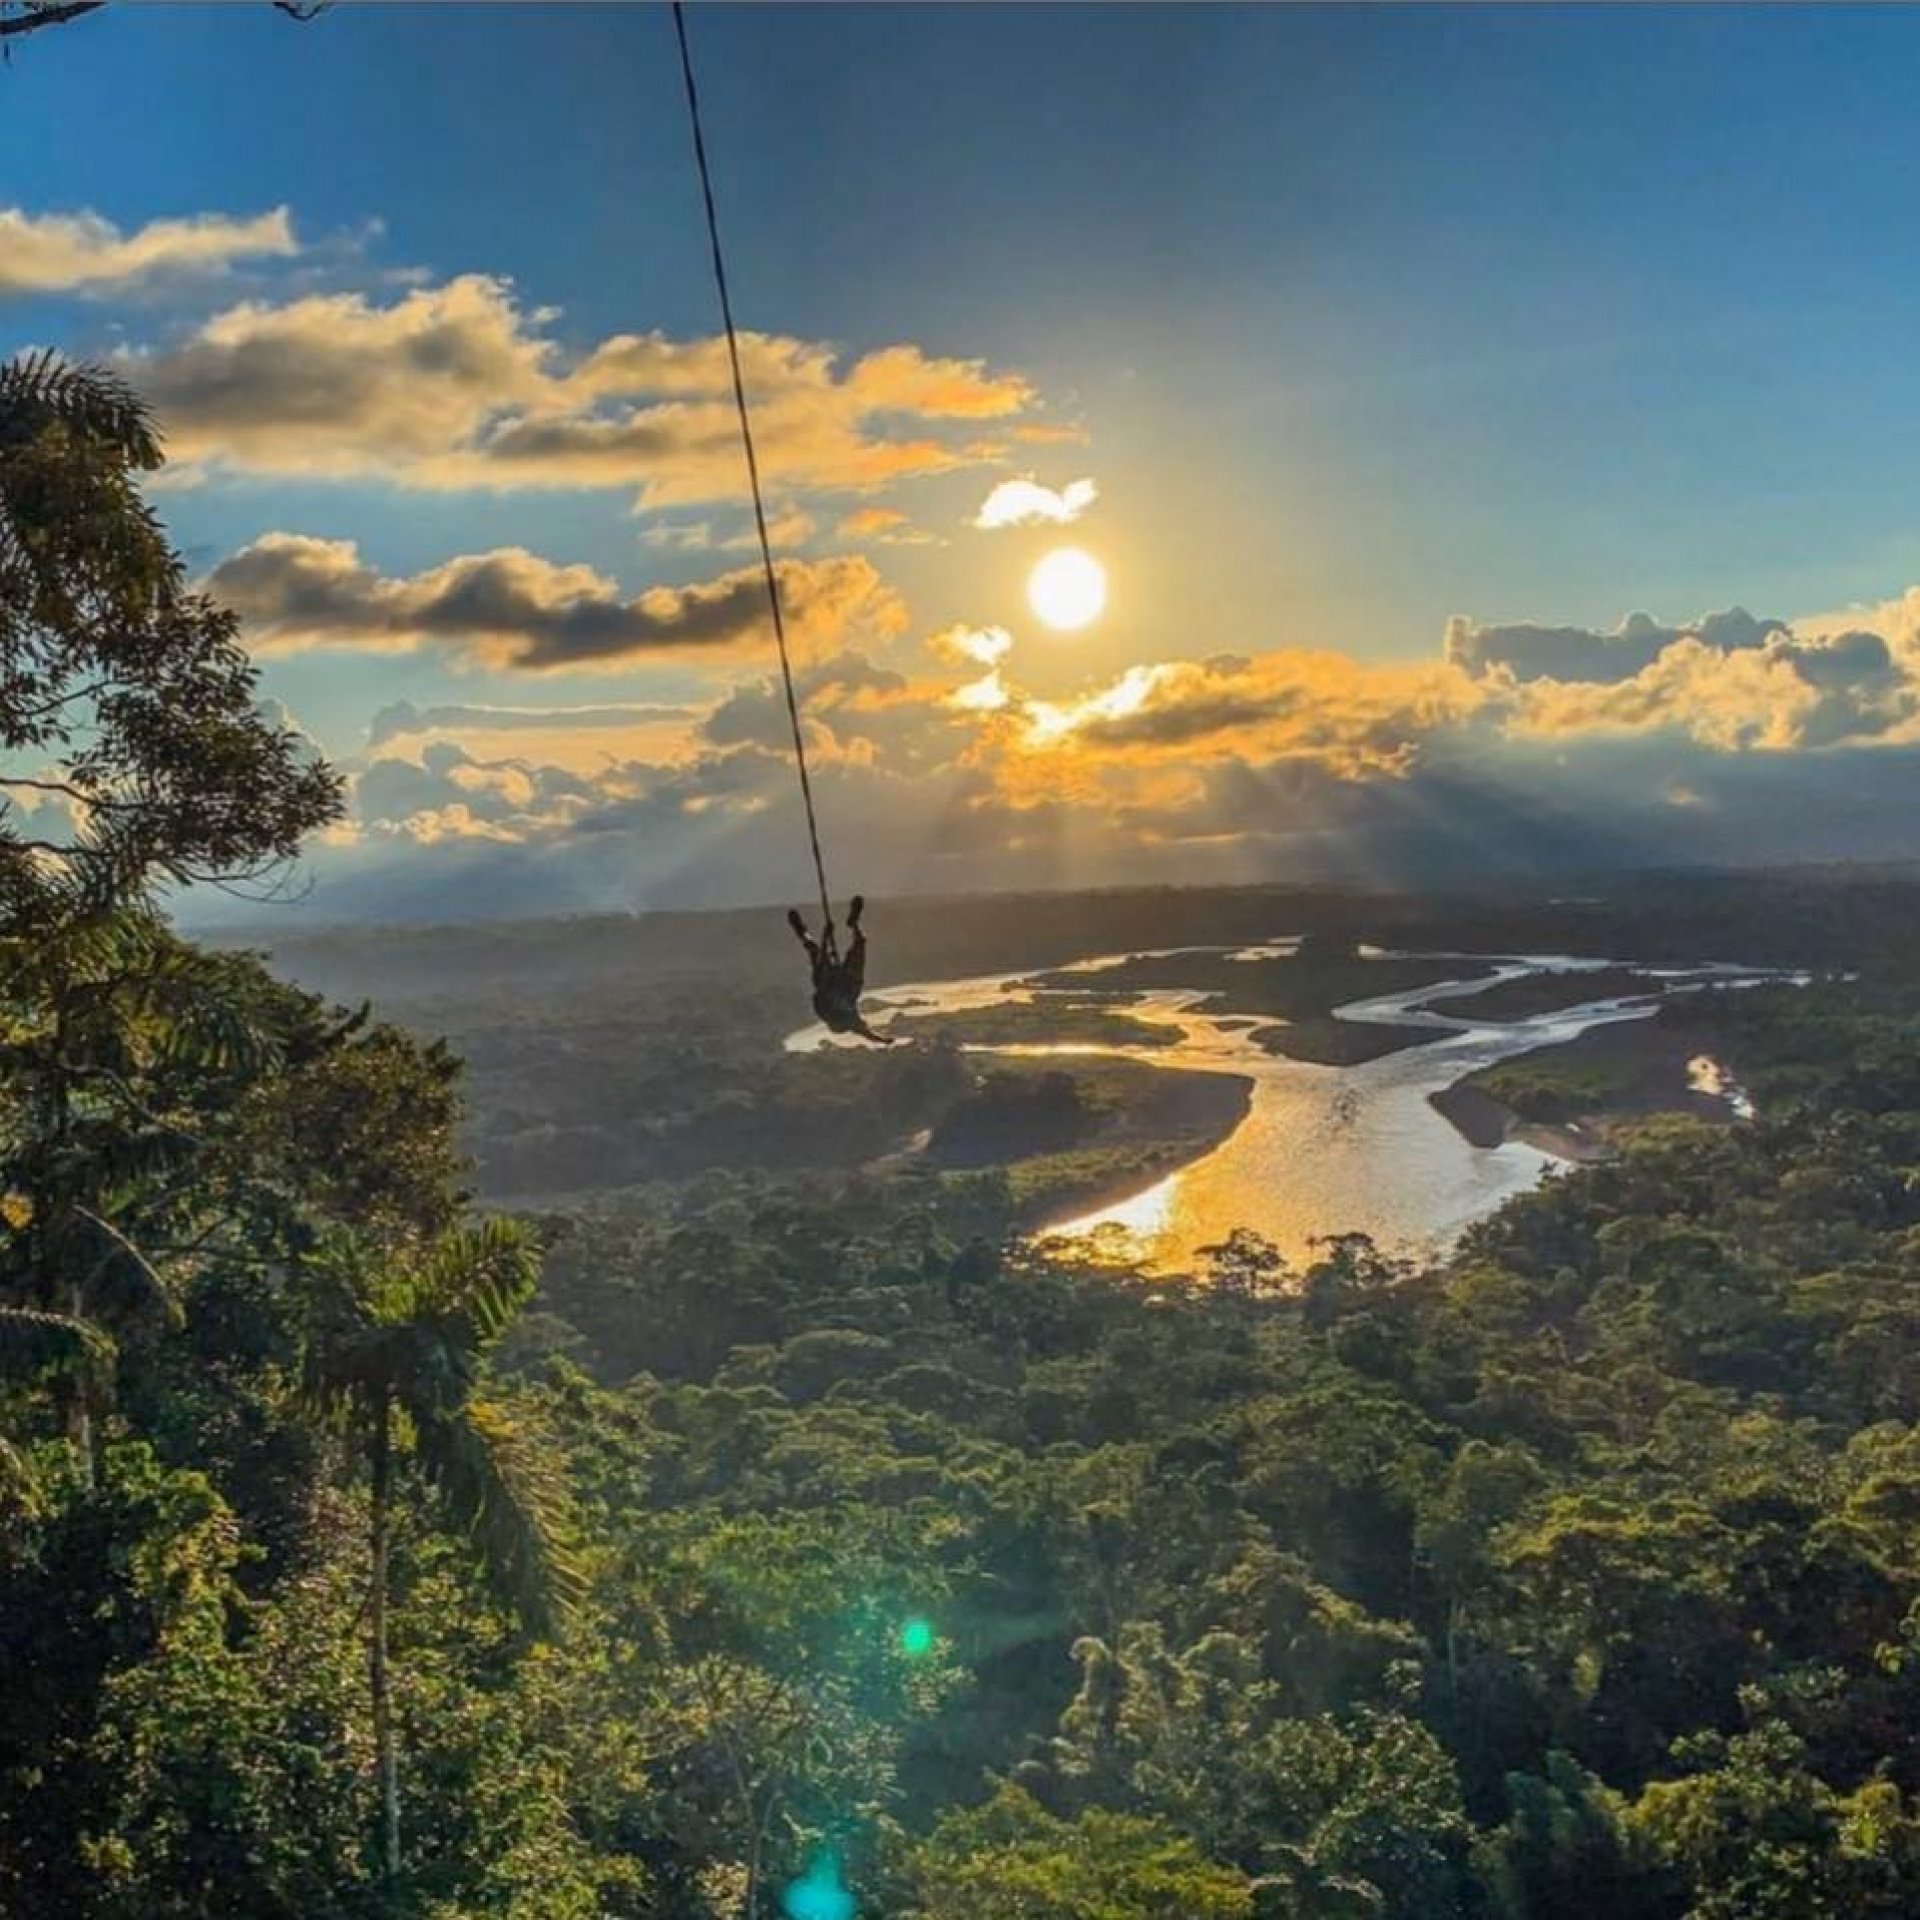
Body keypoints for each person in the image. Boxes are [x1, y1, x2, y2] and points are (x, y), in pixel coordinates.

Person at [787, 893, 896, 1044]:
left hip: (831, 979)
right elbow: (868, 1034)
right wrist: (883, 1040)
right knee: (860, 943)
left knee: (814, 949)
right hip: (848, 982)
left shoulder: (826, 1007)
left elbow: (822, 962)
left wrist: (825, 938)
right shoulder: (849, 1020)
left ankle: (802, 931)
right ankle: (854, 924)